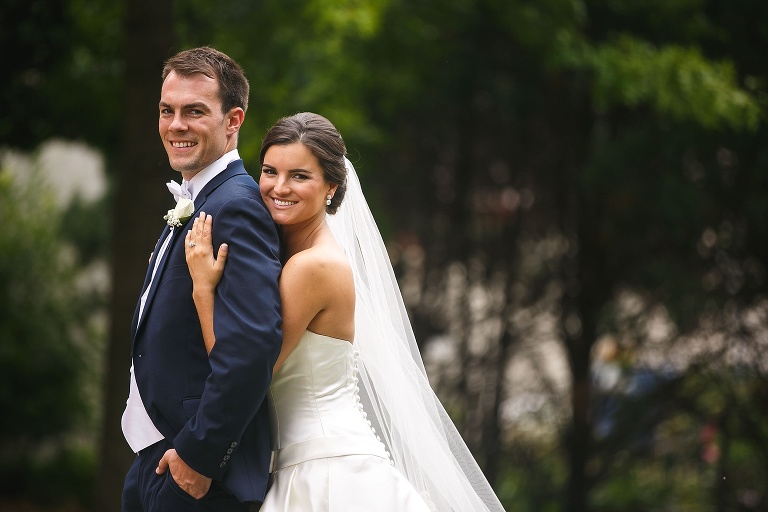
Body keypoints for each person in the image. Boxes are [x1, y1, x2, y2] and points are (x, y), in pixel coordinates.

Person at [185, 112, 507, 511]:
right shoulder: (295, 258)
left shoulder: (313, 267)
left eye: (299, 176)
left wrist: (202, 289)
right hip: (301, 464)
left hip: (327, 474)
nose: (278, 187)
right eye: (270, 171)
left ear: (331, 188)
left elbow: (240, 371)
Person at [120, 46, 282, 512]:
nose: (176, 126)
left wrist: (200, 456)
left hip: (195, 474)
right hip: (154, 462)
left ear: (233, 121)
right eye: (166, 111)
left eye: (194, 111)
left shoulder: (237, 206)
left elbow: (251, 348)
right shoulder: (199, 199)